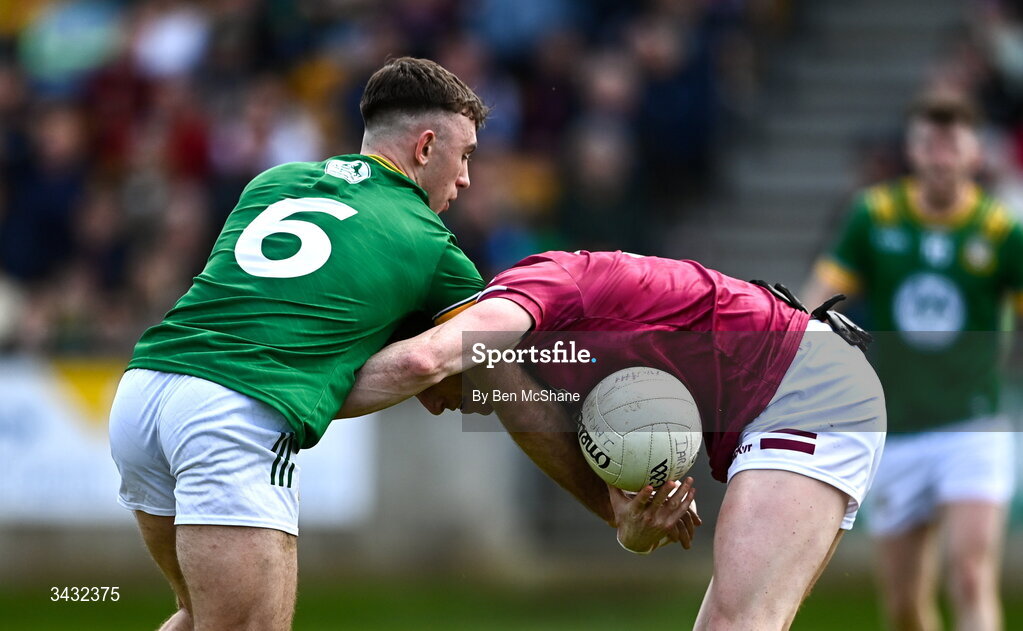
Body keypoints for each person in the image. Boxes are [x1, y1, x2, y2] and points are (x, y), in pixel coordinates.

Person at [108, 57, 492, 631]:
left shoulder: (274, 180)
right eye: (463, 157)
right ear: (426, 147)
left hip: (144, 393)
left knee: (198, 616)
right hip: (232, 410)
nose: (464, 179)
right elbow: (465, 380)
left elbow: (274, 305)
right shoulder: (432, 244)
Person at [340, 249, 886, 630]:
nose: (432, 403)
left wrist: (299, 407)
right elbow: (533, 424)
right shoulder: (510, 357)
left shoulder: (528, 299)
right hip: (799, 388)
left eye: (428, 389)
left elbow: (423, 359)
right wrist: (623, 525)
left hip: (808, 387)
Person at [803, 91, 1020, 631]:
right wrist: (792, 345)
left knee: (970, 575)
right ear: (912, 150)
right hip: (895, 431)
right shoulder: (874, 216)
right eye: (930, 143)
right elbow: (819, 299)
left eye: (952, 144)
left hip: (975, 425)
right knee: (903, 606)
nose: (941, 156)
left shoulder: (1001, 232)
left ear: (974, 154)